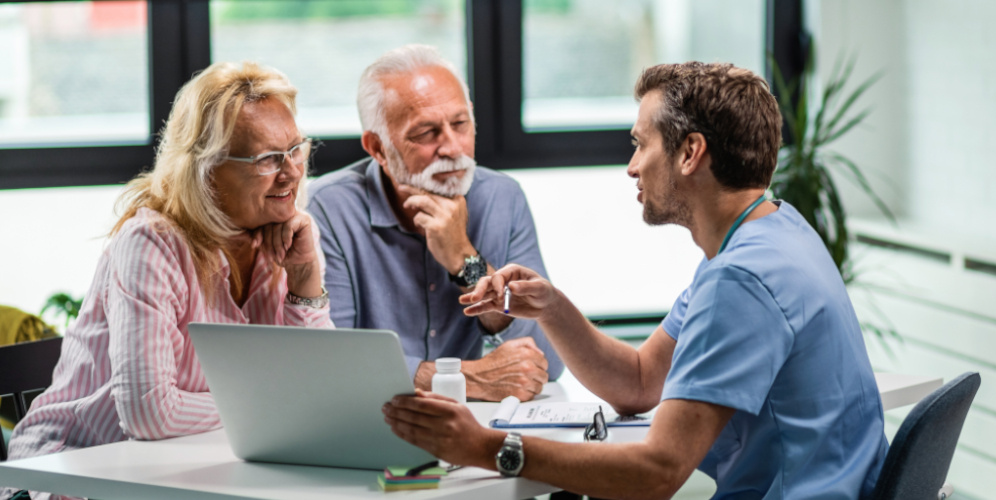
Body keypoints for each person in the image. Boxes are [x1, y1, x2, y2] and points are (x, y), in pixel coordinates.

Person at [381, 62, 889, 499]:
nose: (631, 167)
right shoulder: (771, 231)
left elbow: (656, 474)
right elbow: (641, 381)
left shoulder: (741, 279)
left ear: (690, 153)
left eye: (640, 144)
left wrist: (487, 447)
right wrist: (552, 308)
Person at [4, 62, 332, 499]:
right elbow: (149, 413)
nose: (291, 172)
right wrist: (275, 410)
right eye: (268, 159)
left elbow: (317, 388)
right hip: (69, 477)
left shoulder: (283, 235)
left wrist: (305, 277)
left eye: (296, 149)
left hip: (182, 470)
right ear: (207, 169)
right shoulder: (151, 242)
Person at [308, 45, 562, 402]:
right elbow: (332, 361)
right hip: (376, 425)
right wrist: (464, 379)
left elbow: (547, 359)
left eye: (460, 124)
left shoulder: (503, 197)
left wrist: (464, 260)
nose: (453, 147)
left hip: (480, 426)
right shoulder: (327, 210)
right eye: (426, 133)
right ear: (378, 148)